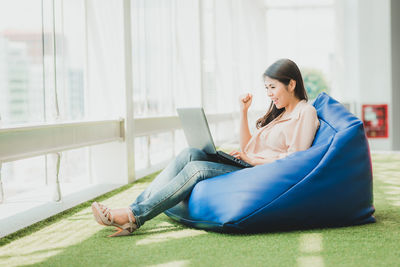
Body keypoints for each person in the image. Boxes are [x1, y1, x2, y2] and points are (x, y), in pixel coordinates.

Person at [91, 58, 320, 237]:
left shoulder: (305, 113)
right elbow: (248, 146)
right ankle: (132, 208)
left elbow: (295, 161)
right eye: (266, 88)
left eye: (273, 87)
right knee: (190, 153)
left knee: (197, 169)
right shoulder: (280, 114)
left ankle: (133, 216)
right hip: (249, 164)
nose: (269, 94)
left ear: (292, 84)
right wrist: (242, 113)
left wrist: (252, 160)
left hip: (259, 173)